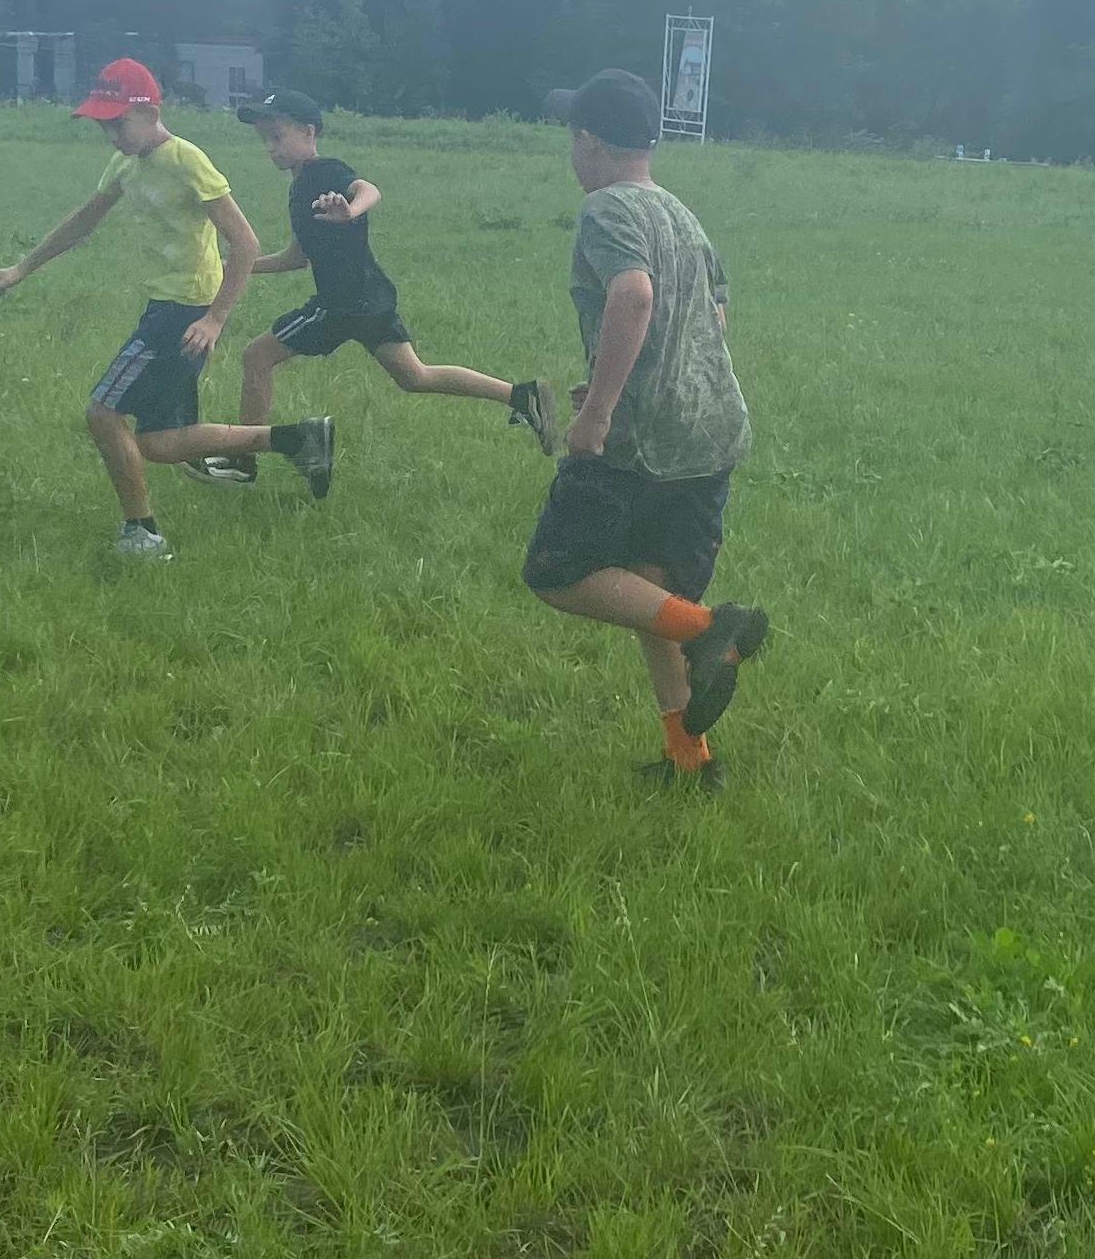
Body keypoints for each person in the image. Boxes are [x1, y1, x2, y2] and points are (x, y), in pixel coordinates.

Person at [522, 69, 769, 787]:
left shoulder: (607, 208)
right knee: (650, 594)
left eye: (573, 137)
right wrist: (617, 375)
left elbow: (632, 295)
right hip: (709, 435)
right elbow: (713, 317)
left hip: (642, 445)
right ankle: (690, 761)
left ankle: (712, 631)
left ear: (590, 142)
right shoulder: (682, 215)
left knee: (555, 572)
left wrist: (598, 411)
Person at [0, 57, 331, 561]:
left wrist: (215, 318)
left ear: (150, 113)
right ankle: (297, 440)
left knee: (103, 414)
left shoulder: (187, 160)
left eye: (118, 124)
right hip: (167, 306)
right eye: (103, 127)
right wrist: (21, 269)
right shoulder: (125, 163)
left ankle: (142, 534)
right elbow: (84, 221)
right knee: (162, 442)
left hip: (183, 313)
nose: (112, 136)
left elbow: (245, 243)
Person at [190, 90, 558, 485]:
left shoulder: (323, 172)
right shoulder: (300, 188)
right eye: (265, 139)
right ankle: (521, 395)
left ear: (309, 132)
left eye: (278, 136)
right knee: (415, 377)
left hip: (341, 305)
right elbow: (296, 257)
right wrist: (234, 266)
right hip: (371, 298)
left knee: (256, 357)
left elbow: (369, 189)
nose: (271, 148)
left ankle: (243, 459)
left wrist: (351, 210)